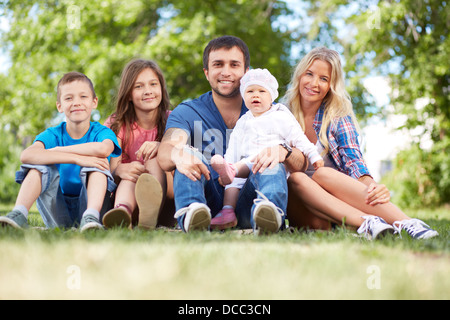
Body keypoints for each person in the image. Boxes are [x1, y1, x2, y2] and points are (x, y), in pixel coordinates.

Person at [284, 46, 438, 240]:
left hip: (340, 203)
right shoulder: (281, 113)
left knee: (323, 173)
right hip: (305, 208)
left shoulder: (337, 115)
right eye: (309, 74)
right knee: (296, 179)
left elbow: (353, 160)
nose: (314, 83)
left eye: (324, 79)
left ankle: (406, 223)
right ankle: (367, 223)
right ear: (299, 75)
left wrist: (371, 184)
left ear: (331, 85)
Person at [157, 36, 307, 233]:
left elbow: (302, 163)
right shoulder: (188, 111)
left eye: (234, 65)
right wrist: (179, 154)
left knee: (271, 159)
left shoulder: (272, 112)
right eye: (218, 64)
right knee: (186, 154)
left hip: (249, 202)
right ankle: (192, 217)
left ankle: (269, 217)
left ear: (246, 73)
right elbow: (166, 150)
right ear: (206, 72)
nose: (226, 72)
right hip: (207, 201)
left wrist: (284, 151)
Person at [0, 72, 121, 232]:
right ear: (60, 106)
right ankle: (19, 214)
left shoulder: (101, 132)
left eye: (83, 97)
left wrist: (58, 151)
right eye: (69, 98)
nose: (76, 102)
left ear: (94, 102)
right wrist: (77, 159)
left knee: (97, 163)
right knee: (40, 165)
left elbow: (103, 149)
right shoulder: (53, 134)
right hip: (57, 207)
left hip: (91, 206)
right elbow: (26, 156)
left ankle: (90, 217)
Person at [210, 68, 324, 231]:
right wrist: (227, 164)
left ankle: (269, 211)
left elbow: (299, 138)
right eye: (250, 91)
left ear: (271, 96)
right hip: (246, 187)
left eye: (261, 91)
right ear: (244, 96)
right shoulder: (243, 122)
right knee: (234, 173)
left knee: (272, 163)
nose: (255, 95)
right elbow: (233, 149)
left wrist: (314, 156)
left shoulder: (281, 116)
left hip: (270, 166)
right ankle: (228, 209)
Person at [103, 59, 172, 229]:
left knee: (154, 156)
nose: (147, 91)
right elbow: (110, 168)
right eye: (138, 86)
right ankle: (122, 213)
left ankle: (151, 210)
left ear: (161, 88)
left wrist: (161, 147)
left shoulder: (172, 119)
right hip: (129, 196)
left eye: (153, 84)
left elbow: (180, 153)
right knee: (130, 176)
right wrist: (120, 170)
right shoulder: (117, 123)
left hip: (167, 202)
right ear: (128, 94)